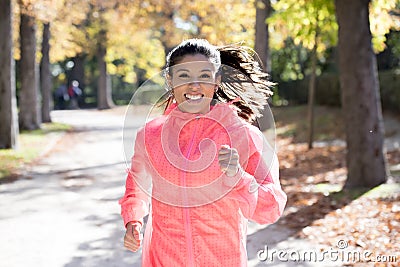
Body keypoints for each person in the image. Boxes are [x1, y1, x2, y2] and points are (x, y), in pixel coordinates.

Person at [119, 39, 287, 266]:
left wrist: (237, 176)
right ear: (170, 81)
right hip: (163, 258)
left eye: (205, 76)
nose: (194, 86)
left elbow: (271, 209)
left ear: (217, 80)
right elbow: (136, 189)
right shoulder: (150, 135)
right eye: (184, 76)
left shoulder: (242, 135)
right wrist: (133, 222)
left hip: (222, 259)